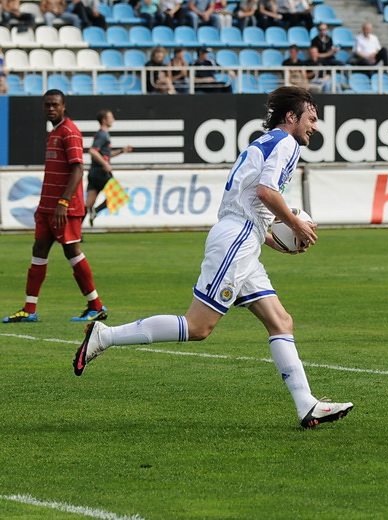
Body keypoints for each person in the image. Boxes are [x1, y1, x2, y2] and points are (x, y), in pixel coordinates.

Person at [73, 86, 354, 430]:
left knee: (281, 321)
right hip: (237, 239)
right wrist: (295, 224)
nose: (315, 126)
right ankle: (105, 336)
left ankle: (307, 405)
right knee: (198, 327)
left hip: (243, 237)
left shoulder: (265, 142)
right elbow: (266, 192)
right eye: (311, 118)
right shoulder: (285, 143)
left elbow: (250, 202)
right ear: (291, 117)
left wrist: (270, 238)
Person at [2, 90, 108, 324]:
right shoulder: (54, 132)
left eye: (55, 105)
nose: (51, 108)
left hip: (64, 208)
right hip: (47, 207)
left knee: (72, 251)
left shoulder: (69, 131)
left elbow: (78, 169)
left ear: (63, 106)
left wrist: (63, 201)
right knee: (39, 250)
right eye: (47, 105)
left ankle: (96, 305)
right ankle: (29, 309)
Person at [85, 109, 133, 227]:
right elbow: (92, 151)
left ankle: (75, 232)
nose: (113, 119)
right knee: (117, 196)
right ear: (104, 120)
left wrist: (122, 151)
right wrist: (105, 164)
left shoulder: (102, 134)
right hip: (101, 173)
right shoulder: (102, 134)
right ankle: (95, 211)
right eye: (111, 117)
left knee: (88, 205)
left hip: (93, 172)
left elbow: (105, 154)